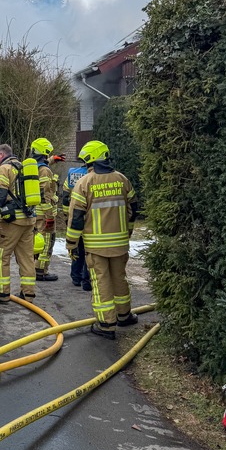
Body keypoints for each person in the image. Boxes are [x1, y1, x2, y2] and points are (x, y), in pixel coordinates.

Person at [66, 140, 139, 339]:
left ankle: (106, 324)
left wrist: (71, 244)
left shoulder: (84, 183)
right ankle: (124, 315)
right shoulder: (122, 179)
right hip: (120, 243)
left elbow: (76, 219)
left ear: (89, 160)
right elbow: (133, 209)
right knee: (119, 279)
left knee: (101, 283)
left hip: (97, 246)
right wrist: (128, 232)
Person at [0, 143, 36, 304]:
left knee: (1, 255)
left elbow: (0, 194)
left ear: (1, 154)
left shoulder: (4, 169)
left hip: (13, 221)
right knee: (27, 257)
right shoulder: (22, 167)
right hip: (29, 219)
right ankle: (28, 293)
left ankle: (1, 292)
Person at [30, 137, 58, 281]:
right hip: (44, 213)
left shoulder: (31, 166)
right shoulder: (45, 171)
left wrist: (52, 159)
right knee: (47, 242)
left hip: (34, 212)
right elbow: (45, 194)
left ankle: (34, 267)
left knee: (36, 240)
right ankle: (41, 271)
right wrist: (50, 216)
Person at [62, 163, 91, 291]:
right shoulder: (94, 176)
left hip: (74, 215)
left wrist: (67, 215)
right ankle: (87, 279)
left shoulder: (73, 173)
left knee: (77, 247)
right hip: (89, 218)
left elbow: (65, 195)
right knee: (88, 249)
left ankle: (75, 277)